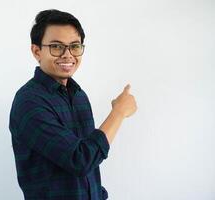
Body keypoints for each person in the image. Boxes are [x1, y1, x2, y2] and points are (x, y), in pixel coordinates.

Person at [9, 9, 137, 200]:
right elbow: (80, 160)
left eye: (75, 46)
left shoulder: (79, 96)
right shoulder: (29, 102)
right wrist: (118, 113)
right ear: (37, 51)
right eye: (56, 47)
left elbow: (91, 164)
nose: (68, 55)